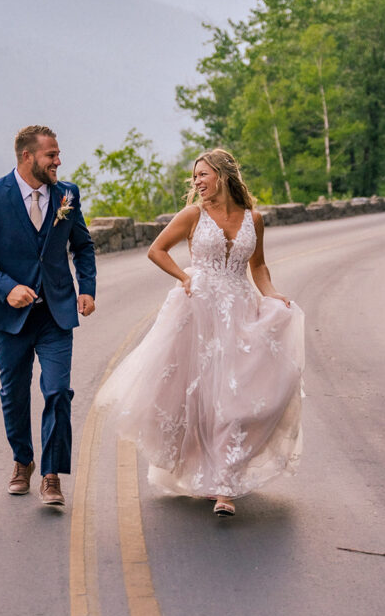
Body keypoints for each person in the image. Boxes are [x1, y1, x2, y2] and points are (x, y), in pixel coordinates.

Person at [97, 148, 304, 517]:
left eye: (202, 176)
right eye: (194, 178)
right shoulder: (193, 214)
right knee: (202, 399)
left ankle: (225, 483)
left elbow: (258, 267)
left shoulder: (253, 219)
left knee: (235, 397)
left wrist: (273, 297)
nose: (196, 183)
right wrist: (184, 278)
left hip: (239, 310)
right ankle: (210, 477)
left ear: (222, 175)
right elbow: (157, 250)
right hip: (197, 310)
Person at [0, 125, 96, 507]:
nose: (58, 161)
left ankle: (51, 475)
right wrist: (7, 287)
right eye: (51, 155)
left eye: (58, 154)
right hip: (10, 316)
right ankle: (23, 460)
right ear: (27, 157)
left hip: (56, 312)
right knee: (14, 394)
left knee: (57, 391)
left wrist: (87, 288)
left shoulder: (67, 194)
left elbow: (82, 246)